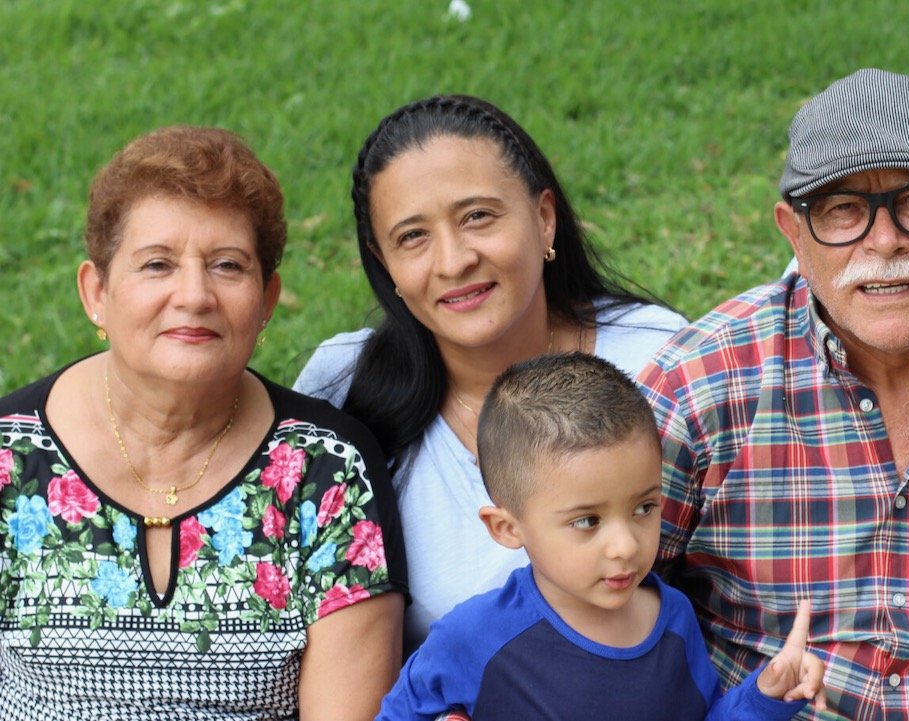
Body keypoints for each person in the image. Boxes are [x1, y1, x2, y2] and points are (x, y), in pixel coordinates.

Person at [638, 68, 909, 719]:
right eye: (843, 209)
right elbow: (586, 593)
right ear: (794, 232)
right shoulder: (702, 384)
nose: (885, 240)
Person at [0, 126, 407, 719]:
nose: (194, 295)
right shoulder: (9, 457)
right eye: (157, 264)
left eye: (226, 266)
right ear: (96, 292)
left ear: (266, 300)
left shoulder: (327, 471)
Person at [293, 94, 687, 651]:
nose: (453, 261)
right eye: (413, 237)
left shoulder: (660, 363)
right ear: (386, 265)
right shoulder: (342, 389)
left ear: (544, 220)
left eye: (477, 216)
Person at [376, 353, 826, 720]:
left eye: (644, 508)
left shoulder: (672, 619)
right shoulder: (472, 638)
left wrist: (765, 697)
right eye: (588, 521)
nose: (626, 546)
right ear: (507, 528)